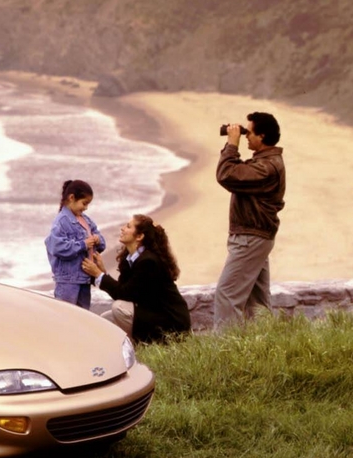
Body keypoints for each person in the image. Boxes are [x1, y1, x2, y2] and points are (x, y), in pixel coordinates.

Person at [213, 112, 285, 328]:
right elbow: (236, 173)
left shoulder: (267, 167)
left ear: (262, 136)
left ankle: (224, 354)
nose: (246, 136)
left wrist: (232, 144)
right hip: (256, 237)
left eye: (249, 132)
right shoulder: (265, 162)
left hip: (250, 238)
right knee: (257, 304)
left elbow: (226, 174)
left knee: (227, 296)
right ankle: (264, 350)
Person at [82, 215, 191, 343]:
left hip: (171, 322)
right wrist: (102, 272)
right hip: (152, 313)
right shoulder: (130, 258)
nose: (122, 229)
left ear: (139, 236)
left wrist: (99, 275)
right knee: (106, 319)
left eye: (128, 226)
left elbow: (124, 294)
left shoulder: (149, 262)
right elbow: (124, 290)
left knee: (119, 308)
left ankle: (135, 348)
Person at [45, 179, 105, 309]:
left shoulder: (86, 220)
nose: (86, 208)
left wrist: (98, 240)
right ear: (71, 198)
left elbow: (101, 242)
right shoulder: (61, 221)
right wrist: (83, 244)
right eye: (84, 203)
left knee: (83, 316)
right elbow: (57, 247)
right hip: (68, 281)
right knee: (66, 315)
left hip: (85, 278)